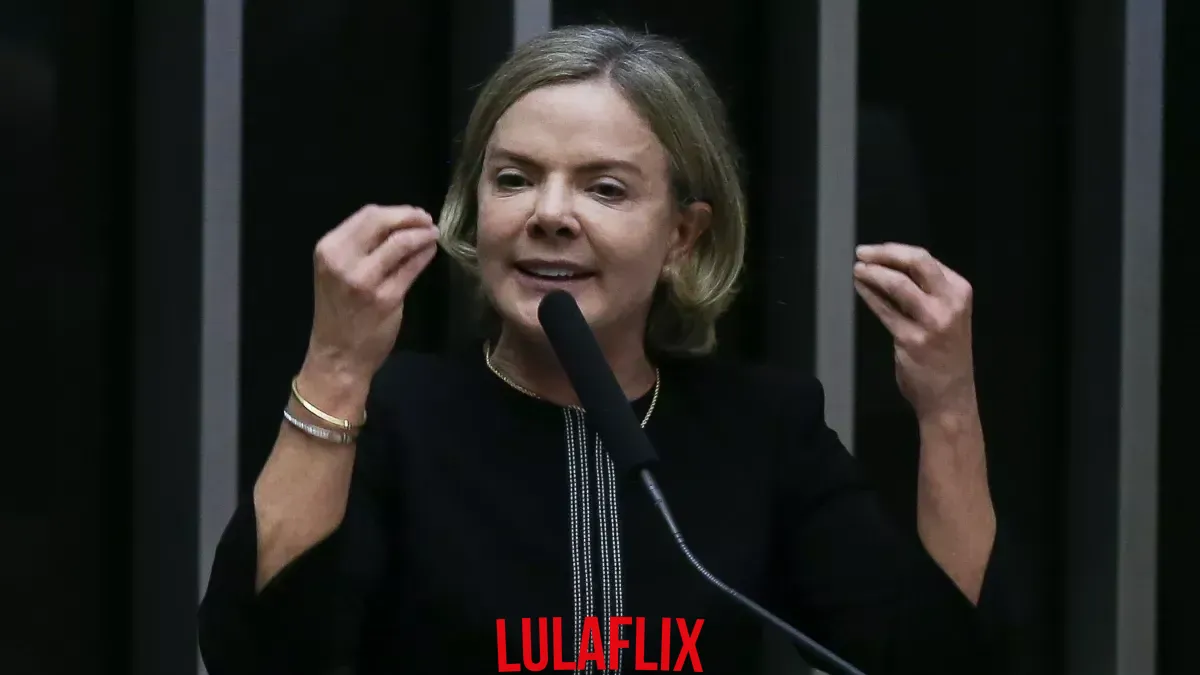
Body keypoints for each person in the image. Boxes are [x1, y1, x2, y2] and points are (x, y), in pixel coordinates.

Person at [199, 24, 1017, 675]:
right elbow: (256, 656)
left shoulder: (763, 427)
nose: (549, 214)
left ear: (683, 236)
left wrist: (949, 408)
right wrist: (337, 368)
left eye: (604, 188)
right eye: (514, 178)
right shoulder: (397, 417)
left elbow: (947, 661)